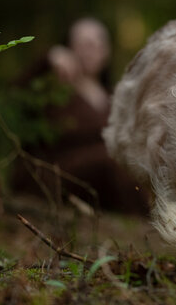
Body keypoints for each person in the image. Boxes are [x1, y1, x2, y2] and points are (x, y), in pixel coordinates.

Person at [14, 18, 150, 214]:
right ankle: (149, 221)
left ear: (107, 51)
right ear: (69, 47)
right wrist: (47, 59)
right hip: (53, 175)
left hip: (102, 186)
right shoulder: (53, 87)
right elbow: (16, 95)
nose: (93, 49)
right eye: (85, 44)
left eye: (99, 44)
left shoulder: (114, 96)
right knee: (113, 158)